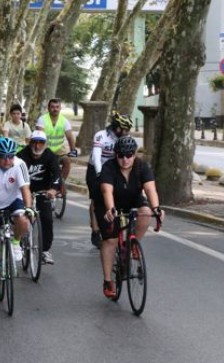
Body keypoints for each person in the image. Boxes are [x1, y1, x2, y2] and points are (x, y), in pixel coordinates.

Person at [97, 136, 164, 299]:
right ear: (116, 155)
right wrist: (111, 210)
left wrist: (157, 208)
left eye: (129, 155)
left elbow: (150, 189)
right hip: (109, 204)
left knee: (146, 211)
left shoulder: (142, 166)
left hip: (132, 199)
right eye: (121, 156)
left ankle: (133, 243)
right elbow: (107, 191)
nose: (125, 159)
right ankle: (107, 281)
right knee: (111, 241)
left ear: (134, 154)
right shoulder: (109, 167)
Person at [0, 137, 34, 295]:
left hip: (13, 201)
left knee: (23, 219)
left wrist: (29, 208)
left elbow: (25, 189)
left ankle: (16, 243)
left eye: (11, 156)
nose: (7, 160)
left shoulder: (19, 164)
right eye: (3, 156)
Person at [86, 111, 133, 247]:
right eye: (123, 129)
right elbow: (96, 157)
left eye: (127, 130)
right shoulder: (101, 136)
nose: (126, 132)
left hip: (113, 170)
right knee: (97, 198)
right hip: (96, 168)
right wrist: (100, 174)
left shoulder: (124, 138)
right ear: (116, 126)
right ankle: (95, 230)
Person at [16, 131, 61, 264]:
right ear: (30, 143)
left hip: (43, 192)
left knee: (47, 219)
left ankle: (45, 251)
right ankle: (16, 244)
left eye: (41, 143)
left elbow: (57, 174)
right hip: (24, 191)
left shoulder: (50, 156)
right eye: (34, 142)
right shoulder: (21, 156)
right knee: (19, 217)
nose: (37, 146)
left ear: (45, 144)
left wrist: (53, 189)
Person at [35, 98, 78, 181]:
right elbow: (40, 137)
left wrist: (73, 151)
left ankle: (61, 183)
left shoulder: (64, 121)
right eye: (52, 107)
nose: (55, 109)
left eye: (57, 107)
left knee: (67, 161)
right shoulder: (42, 119)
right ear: (48, 108)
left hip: (59, 150)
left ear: (60, 108)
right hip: (45, 150)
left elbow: (70, 137)